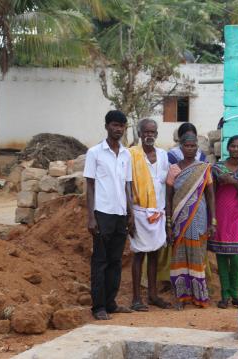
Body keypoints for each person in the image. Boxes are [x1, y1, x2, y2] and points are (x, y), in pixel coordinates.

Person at [84, 110, 135, 320]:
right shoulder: (95, 153)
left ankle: (111, 303)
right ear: (107, 126)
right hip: (102, 213)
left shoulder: (126, 154)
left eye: (122, 126)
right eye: (114, 125)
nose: (118, 129)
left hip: (120, 214)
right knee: (100, 261)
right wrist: (91, 217)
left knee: (115, 261)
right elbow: (90, 185)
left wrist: (131, 213)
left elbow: (127, 185)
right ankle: (98, 307)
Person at [165, 133, 216, 309]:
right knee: (179, 256)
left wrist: (213, 221)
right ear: (181, 148)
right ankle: (181, 297)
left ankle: (199, 297)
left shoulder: (203, 168)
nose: (190, 149)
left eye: (193, 146)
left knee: (197, 256)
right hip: (179, 219)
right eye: (187, 146)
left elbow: (210, 196)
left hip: (199, 217)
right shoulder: (173, 169)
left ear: (197, 148)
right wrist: (169, 223)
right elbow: (169, 198)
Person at [128, 119, 172, 311]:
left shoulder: (163, 155)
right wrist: (129, 214)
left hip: (158, 213)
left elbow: (166, 184)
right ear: (139, 133)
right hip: (138, 212)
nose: (149, 135)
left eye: (153, 132)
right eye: (146, 132)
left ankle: (153, 295)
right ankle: (137, 298)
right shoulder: (131, 155)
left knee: (154, 253)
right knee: (138, 254)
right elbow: (127, 185)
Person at [209, 135, 238, 309]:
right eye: (233, 146)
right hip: (220, 216)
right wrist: (212, 219)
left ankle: (235, 294)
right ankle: (224, 296)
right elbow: (211, 194)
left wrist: (234, 182)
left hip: (235, 218)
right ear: (228, 148)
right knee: (221, 259)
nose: (236, 149)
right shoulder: (217, 168)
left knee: (235, 259)